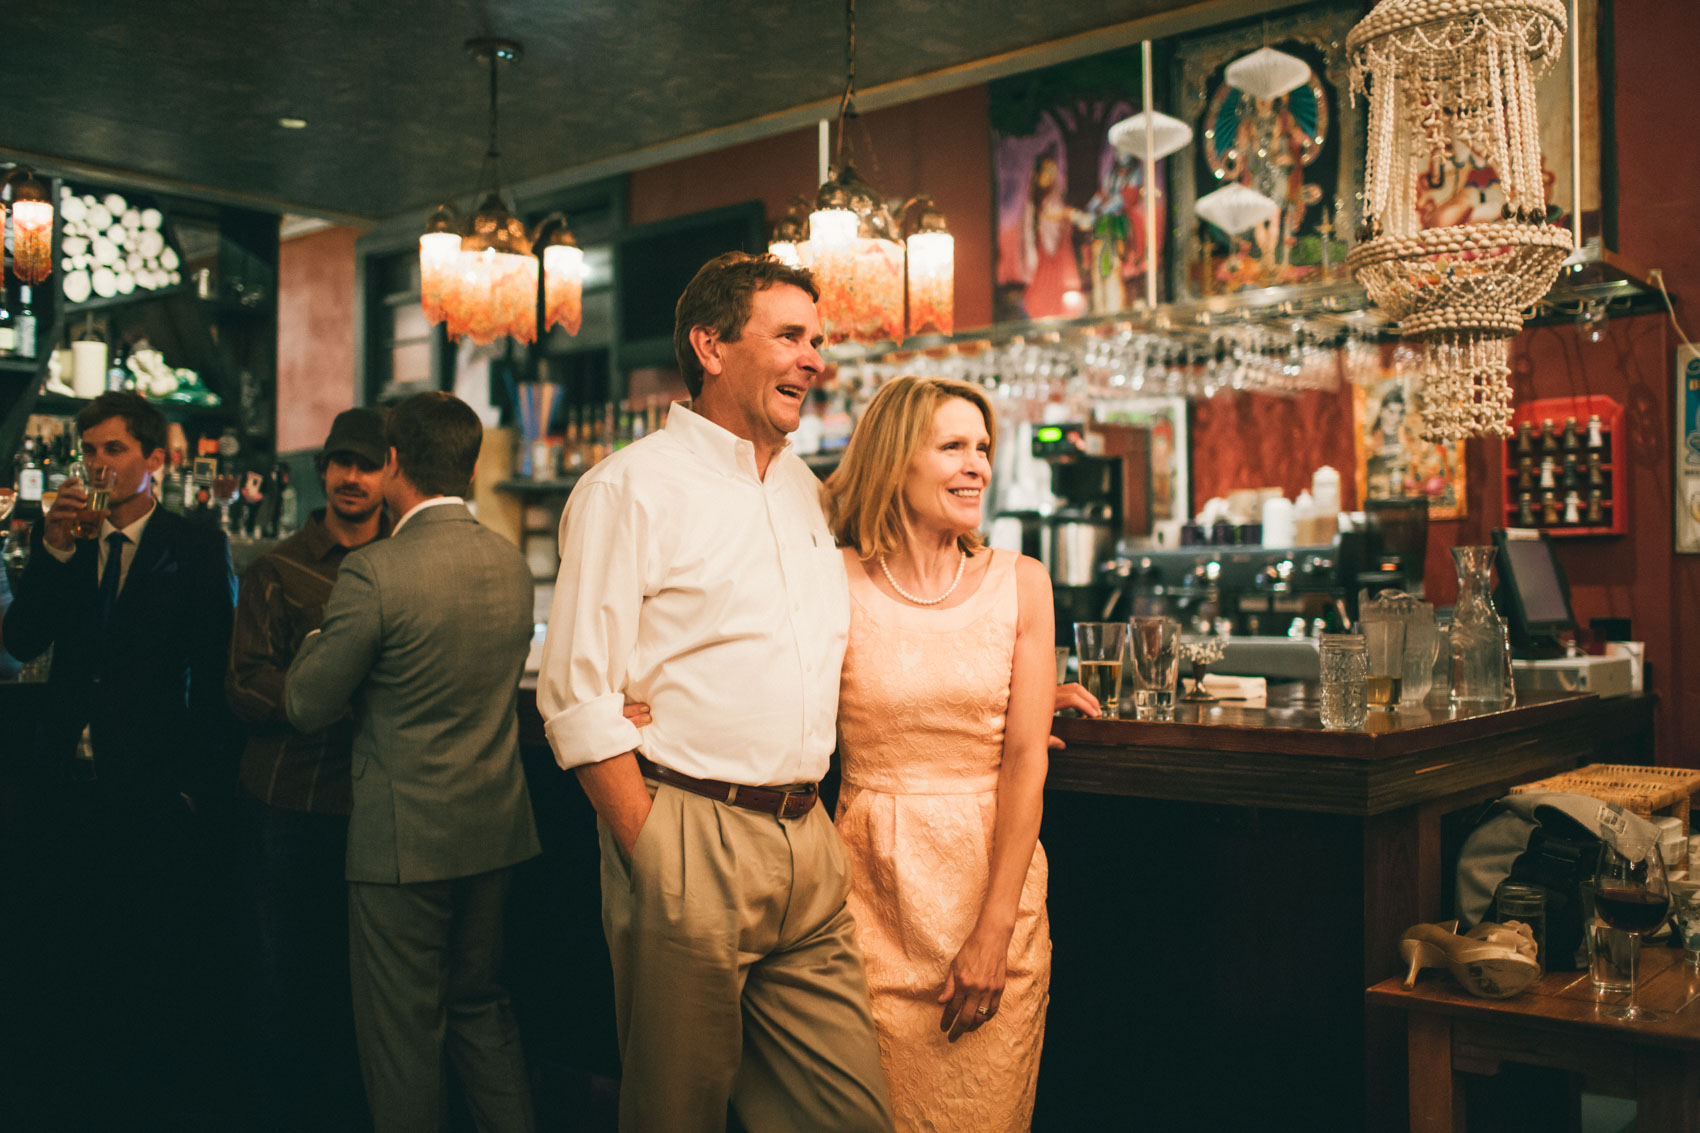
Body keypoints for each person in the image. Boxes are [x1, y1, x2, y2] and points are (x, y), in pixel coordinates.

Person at [537, 251, 896, 1132]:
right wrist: (652, 846)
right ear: (710, 345)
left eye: (818, 340)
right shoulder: (629, 487)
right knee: (676, 1115)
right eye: (789, 336)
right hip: (688, 835)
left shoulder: (808, 494)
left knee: (849, 1115)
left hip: (807, 843)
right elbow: (577, 693)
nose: (816, 359)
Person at [285, 392, 539, 1133]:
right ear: (470, 464)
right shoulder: (510, 563)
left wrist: (311, 645)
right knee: (480, 1008)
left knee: (402, 1040)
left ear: (394, 463)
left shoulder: (376, 572)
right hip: (494, 829)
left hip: (402, 843)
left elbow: (306, 702)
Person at [1, 390, 243, 1129]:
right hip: (69, 782)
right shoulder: (68, 541)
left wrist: (197, 790)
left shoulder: (193, 546)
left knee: (149, 957)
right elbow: (21, 638)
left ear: (154, 460)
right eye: (90, 451)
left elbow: (216, 671)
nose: (99, 465)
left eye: (114, 449)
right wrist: (55, 549)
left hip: (152, 784)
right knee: (70, 950)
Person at [821, 376, 1055, 1132]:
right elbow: (769, 694)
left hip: (992, 894)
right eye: (953, 446)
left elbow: (1025, 761)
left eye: (983, 447)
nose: (977, 465)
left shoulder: (1023, 583)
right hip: (866, 902)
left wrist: (992, 933)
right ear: (896, 461)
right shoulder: (834, 579)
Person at [225, 407, 389, 1131]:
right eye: (340, 462)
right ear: (322, 470)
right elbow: (243, 683)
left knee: (360, 981)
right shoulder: (276, 565)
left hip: (376, 805)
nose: (351, 477)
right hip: (289, 797)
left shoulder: (403, 566)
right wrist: (328, 698)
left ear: (391, 472)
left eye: (366, 463)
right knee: (282, 974)